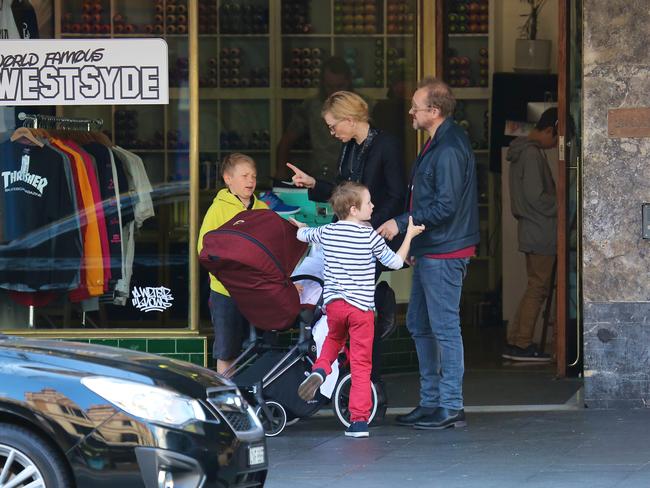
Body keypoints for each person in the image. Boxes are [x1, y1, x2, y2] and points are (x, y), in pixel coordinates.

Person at [287, 90, 406, 415]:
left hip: (373, 235)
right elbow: (344, 195)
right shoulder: (350, 147)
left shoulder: (387, 146)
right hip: (359, 235)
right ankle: (345, 375)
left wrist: (366, 230)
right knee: (351, 306)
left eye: (332, 125)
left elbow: (397, 196)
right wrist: (314, 184)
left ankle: (362, 381)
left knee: (357, 306)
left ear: (350, 120)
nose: (330, 131)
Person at [377, 77, 479, 430]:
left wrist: (402, 224)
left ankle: (451, 405)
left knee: (444, 328)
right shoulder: (440, 141)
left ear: (433, 112)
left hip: (445, 251)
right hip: (434, 248)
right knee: (420, 323)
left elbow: (445, 206)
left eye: (416, 107)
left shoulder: (448, 148)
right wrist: (416, 244)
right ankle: (431, 401)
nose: (410, 112)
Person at [291, 181, 424, 438]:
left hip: (335, 307)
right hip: (361, 310)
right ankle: (359, 422)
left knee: (333, 340)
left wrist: (301, 227)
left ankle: (320, 370)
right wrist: (408, 235)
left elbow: (303, 235)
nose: (373, 206)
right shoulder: (370, 236)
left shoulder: (327, 232)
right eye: (369, 203)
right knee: (362, 365)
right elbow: (395, 262)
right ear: (354, 209)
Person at [197, 153, 268, 375]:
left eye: (254, 176)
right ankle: (226, 398)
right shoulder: (218, 209)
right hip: (225, 290)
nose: (250, 181)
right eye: (244, 175)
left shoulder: (263, 208)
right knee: (227, 350)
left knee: (260, 346)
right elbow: (204, 248)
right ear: (228, 179)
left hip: (256, 290)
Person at [501, 107, 558, 362]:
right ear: (548, 130)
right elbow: (538, 197)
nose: (557, 144)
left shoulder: (522, 151)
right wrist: (563, 204)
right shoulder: (532, 154)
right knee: (538, 288)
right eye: (556, 138)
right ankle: (523, 344)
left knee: (533, 287)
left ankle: (516, 339)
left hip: (530, 228)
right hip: (541, 228)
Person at [275, 57, 353, 182]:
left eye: (340, 86)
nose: (335, 92)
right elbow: (286, 140)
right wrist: (281, 171)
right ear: (323, 84)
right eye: (330, 87)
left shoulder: (363, 106)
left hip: (353, 179)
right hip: (321, 177)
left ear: (348, 82)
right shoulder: (311, 106)